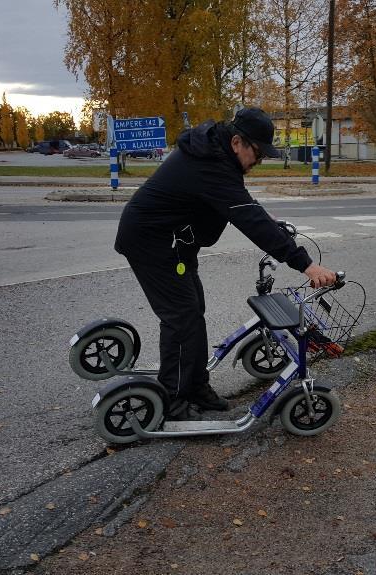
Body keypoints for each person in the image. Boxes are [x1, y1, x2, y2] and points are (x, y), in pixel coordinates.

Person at [115, 107, 338, 421]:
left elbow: (241, 202)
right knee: (182, 319)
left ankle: (195, 387)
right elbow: (246, 217)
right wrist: (306, 265)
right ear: (237, 142)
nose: (257, 163)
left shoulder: (215, 155)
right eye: (257, 155)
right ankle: (173, 401)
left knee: (194, 311)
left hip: (174, 243)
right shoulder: (212, 165)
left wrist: (266, 218)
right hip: (152, 244)